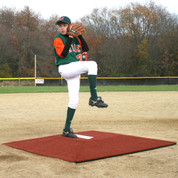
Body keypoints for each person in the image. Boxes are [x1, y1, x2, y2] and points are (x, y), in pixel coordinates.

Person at [54, 16, 108, 138]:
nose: (62, 28)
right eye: (60, 26)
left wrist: (79, 35)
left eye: (64, 25)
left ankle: (66, 129)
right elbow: (63, 53)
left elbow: (86, 49)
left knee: (74, 100)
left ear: (69, 26)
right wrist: (71, 37)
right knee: (92, 64)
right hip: (65, 67)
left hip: (74, 69)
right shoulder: (58, 38)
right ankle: (94, 98)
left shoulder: (75, 37)